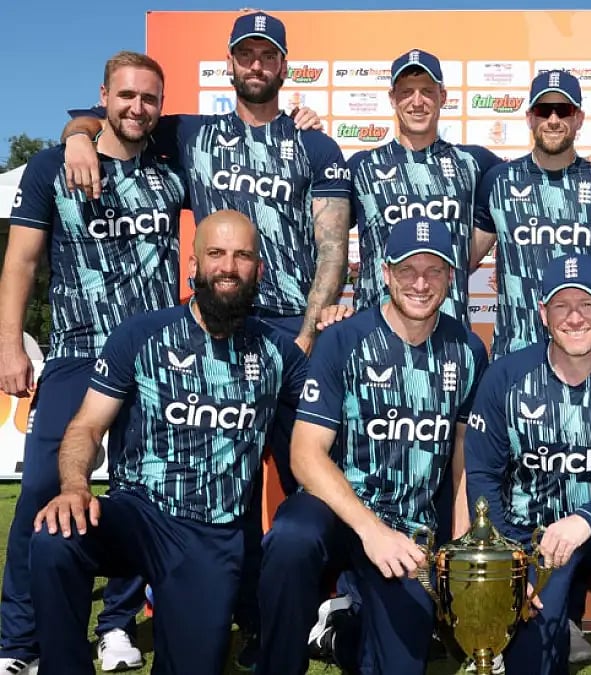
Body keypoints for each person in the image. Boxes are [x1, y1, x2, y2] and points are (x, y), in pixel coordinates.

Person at [62, 14, 351, 665]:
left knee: (314, 475)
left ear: (282, 65)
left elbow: (332, 248)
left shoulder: (317, 146)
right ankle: (152, 613)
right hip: (216, 319)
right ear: (231, 64)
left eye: (267, 55)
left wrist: (306, 332)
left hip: (287, 332)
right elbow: (111, 118)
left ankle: (327, 603)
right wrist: (78, 138)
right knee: (189, 477)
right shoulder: (194, 133)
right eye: (245, 54)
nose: (256, 64)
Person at [26, 210, 308, 675]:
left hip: (212, 534)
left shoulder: (279, 352)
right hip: (139, 511)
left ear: (259, 269)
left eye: (242, 256)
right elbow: (86, 427)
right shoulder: (141, 335)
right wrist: (74, 486)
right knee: (56, 537)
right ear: (193, 265)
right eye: (216, 254)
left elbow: (324, 421)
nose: (229, 267)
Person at [0, 51, 187, 674]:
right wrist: (8, 344)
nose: (138, 107)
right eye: (126, 95)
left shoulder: (172, 164)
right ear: (103, 95)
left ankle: (116, 626)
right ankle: (19, 642)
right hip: (77, 351)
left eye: (150, 99)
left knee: (141, 493)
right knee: (42, 490)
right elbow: (22, 262)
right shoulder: (55, 165)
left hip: (155, 358)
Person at [258, 217, 485, 674]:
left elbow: (463, 457)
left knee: (400, 661)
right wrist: (370, 529)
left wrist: (461, 549)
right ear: (385, 273)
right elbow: (305, 454)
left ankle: (344, 628)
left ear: (451, 277)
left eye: (434, 271)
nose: (420, 283)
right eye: (407, 271)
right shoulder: (343, 339)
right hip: (337, 512)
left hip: (410, 531)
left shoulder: (467, 349)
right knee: (291, 538)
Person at [465, 253, 591, 675]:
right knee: (533, 665)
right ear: (543, 312)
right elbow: (483, 475)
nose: (575, 318)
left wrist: (584, 519)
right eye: (562, 305)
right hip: (532, 539)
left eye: (588, 305)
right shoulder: (506, 376)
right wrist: (508, 561)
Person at [348, 51, 591, 327]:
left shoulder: (478, 165)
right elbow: (325, 242)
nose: (417, 102)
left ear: (443, 97)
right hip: (373, 331)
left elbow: (467, 258)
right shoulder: (360, 167)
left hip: (449, 335)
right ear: (392, 98)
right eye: (407, 92)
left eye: (427, 91)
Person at [470, 69, 591, 359]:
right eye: (543, 110)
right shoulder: (498, 181)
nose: (553, 120)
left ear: (579, 118)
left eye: (564, 110)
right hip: (515, 354)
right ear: (530, 118)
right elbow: (461, 262)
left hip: (584, 356)